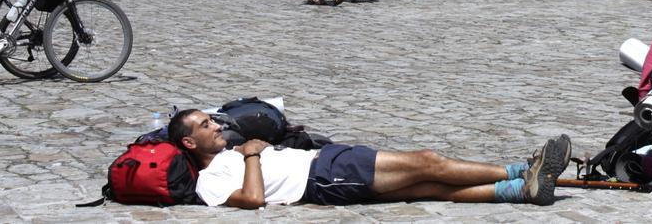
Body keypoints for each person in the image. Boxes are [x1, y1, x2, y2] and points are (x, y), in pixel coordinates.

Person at [170, 109, 572, 208]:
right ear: (190, 144)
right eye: (205, 126)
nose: (217, 127)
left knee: (427, 188)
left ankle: (520, 190)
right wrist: (253, 155)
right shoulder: (208, 184)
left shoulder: (228, 152)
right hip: (322, 177)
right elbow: (254, 200)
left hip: (323, 161)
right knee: (427, 161)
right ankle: (521, 170)